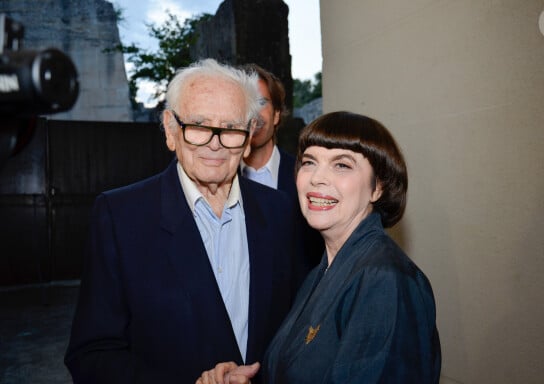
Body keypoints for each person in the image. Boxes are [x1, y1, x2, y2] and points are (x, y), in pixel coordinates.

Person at [64, 58, 306, 384]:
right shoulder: (121, 217)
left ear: (249, 137)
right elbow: (91, 355)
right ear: (170, 129)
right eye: (199, 126)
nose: (215, 143)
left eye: (231, 128)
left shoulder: (279, 210)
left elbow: (297, 326)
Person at [197, 111, 441, 383]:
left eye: (342, 165)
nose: (317, 178)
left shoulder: (384, 280)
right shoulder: (322, 271)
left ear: (378, 187)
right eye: (310, 162)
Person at [239, 63, 323, 269]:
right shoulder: (216, 180)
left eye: (261, 102)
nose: (253, 113)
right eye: (244, 102)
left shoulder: (307, 177)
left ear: (277, 114)